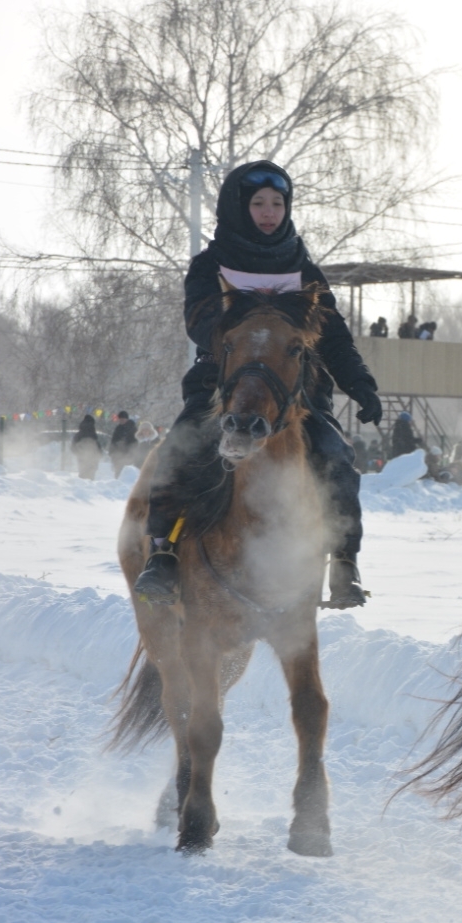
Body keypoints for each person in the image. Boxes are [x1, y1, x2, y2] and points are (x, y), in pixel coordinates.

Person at [131, 160, 383, 609]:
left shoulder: (304, 269)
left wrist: (360, 383)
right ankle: (163, 553)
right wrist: (254, 320)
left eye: (277, 204)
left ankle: (345, 560)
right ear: (239, 208)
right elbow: (199, 323)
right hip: (220, 385)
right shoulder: (209, 265)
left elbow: (334, 338)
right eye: (259, 204)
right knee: (182, 448)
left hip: (294, 393)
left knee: (336, 454)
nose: (269, 212)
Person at [70, 414, 101, 479]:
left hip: (81, 458)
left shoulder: (79, 434)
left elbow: (73, 447)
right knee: (90, 475)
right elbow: (98, 447)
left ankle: (82, 483)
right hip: (92, 458)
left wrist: (79, 453)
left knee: (83, 474)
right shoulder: (93, 434)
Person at [108, 411, 139, 476]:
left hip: (128, 454)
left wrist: (131, 453)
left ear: (126, 419)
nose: (121, 421)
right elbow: (114, 440)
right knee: (118, 471)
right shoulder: (118, 428)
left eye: (123, 419)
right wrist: (111, 451)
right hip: (118, 454)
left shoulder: (132, 428)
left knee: (125, 473)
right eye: (120, 419)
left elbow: (135, 442)